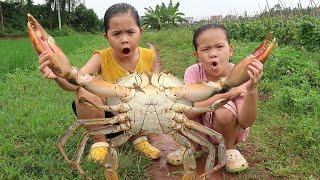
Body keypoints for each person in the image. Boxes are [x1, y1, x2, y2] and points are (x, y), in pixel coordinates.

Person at [38, 3, 161, 164]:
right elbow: (74, 84)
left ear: (140, 32)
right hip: (106, 119)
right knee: (84, 90)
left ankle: (139, 139)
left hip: (137, 118)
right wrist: (57, 76)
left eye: (131, 32)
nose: (124, 40)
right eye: (116, 34)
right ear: (106, 36)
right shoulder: (100, 57)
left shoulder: (149, 56)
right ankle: (99, 142)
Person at [166, 23, 264, 173]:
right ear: (197, 56)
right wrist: (226, 94)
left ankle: (228, 149)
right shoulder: (193, 72)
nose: (213, 53)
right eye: (205, 49)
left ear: (230, 50)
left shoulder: (240, 74)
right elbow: (189, 110)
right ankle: (194, 146)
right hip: (200, 128)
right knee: (175, 107)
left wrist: (251, 90)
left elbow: (245, 122)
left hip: (227, 129)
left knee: (223, 112)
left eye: (219, 47)